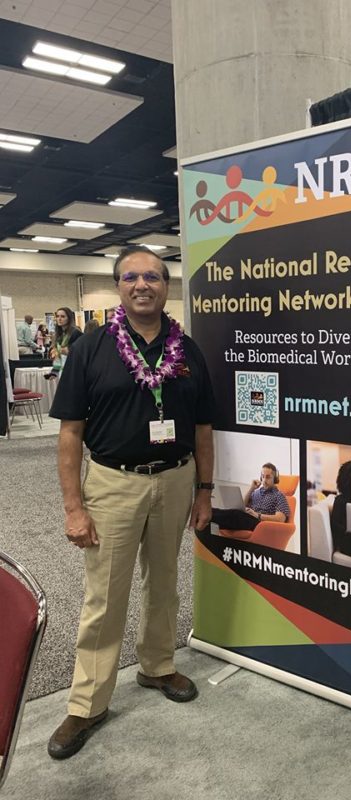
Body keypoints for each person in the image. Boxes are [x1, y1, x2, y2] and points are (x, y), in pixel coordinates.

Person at [47, 245, 215, 760]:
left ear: (166, 285)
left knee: (163, 583)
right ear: (119, 286)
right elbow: (70, 433)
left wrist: (204, 491)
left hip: (175, 479)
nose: (142, 285)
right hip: (113, 484)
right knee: (105, 595)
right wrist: (74, 508)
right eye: (131, 277)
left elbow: (203, 429)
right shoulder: (90, 348)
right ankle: (87, 702)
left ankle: (157, 666)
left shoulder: (187, 350)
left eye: (153, 277)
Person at [210, 462, 290, 531]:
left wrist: (257, 515)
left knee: (235, 514)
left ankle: (210, 517)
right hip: (247, 519)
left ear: (275, 479)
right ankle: (208, 515)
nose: (264, 480)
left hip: (260, 524)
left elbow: (280, 519)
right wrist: (251, 489)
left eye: (268, 477)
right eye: (263, 476)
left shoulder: (279, 495)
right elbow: (242, 505)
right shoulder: (256, 492)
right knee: (224, 512)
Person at [44, 307, 82, 380]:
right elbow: (58, 356)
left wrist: (69, 351)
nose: (59, 319)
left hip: (75, 371)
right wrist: (54, 372)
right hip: (63, 371)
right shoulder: (59, 335)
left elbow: (82, 352)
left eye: (63, 316)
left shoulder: (76, 333)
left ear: (69, 318)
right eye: (57, 316)